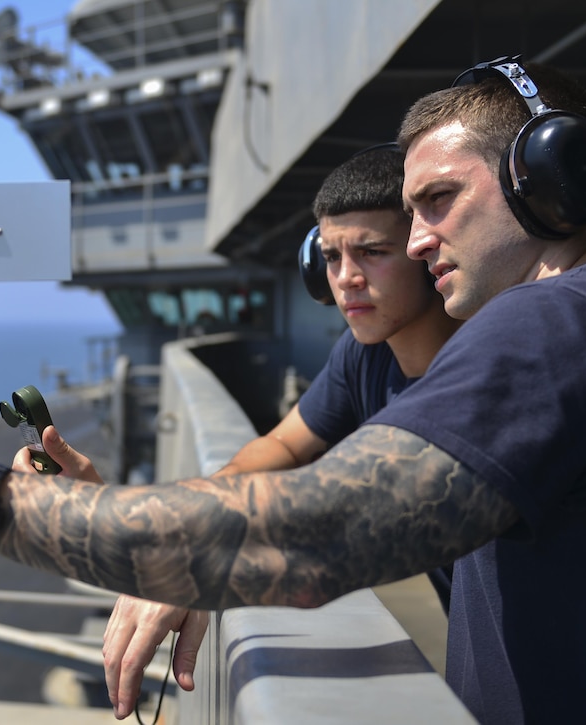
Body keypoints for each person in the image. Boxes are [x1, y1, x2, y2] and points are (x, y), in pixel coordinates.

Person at [0, 56, 586, 724]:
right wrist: (137, 529)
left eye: (440, 202)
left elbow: (307, 535)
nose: (421, 238)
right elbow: (285, 492)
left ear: (548, 182)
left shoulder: (561, 321)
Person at [91, 146, 461, 718]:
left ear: (423, 253)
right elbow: (284, 444)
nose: (347, 279)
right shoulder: (365, 355)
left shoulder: (477, 367)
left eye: (372, 252)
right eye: (332, 257)